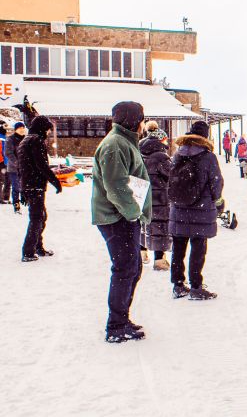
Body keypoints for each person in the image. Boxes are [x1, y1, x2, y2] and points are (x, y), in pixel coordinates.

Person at [92, 101, 152, 343]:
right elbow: (115, 185)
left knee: (132, 268)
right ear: (131, 119)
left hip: (123, 216)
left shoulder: (124, 141)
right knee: (125, 270)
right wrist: (132, 213)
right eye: (141, 118)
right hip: (117, 217)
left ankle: (121, 319)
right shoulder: (115, 144)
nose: (143, 123)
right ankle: (115, 326)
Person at [168, 120, 224, 300]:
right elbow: (216, 182)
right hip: (201, 208)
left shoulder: (178, 154)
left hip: (179, 208)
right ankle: (196, 286)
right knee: (198, 248)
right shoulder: (208, 157)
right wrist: (218, 201)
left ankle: (177, 284)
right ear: (205, 136)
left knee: (178, 247)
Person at [17, 116, 62, 262]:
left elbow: (21, 168)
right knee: (37, 218)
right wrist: (55, 181)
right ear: (42, 128)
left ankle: (37, 247)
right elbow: (41, 165)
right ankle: (28, 251)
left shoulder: (25, 141)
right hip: (35, 185)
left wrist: (22, 189)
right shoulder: (36, 141)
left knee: (41, 216)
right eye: (48, 129)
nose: (49, 132)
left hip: (28, 185)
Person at [140, 125, 173, 271]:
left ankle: (141, 253)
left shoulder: (139, 152)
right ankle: (159, 260)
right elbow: (172, 176)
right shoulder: (161, 156)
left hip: (142, 196)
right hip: (160, 198)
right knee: (160, 227)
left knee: (143, 225)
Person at [3, 122, 26, 213]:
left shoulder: (26, 139)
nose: (22, 129)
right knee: (16, 188)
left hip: (25, 168)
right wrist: (17, 162)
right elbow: (8, 153)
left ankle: (27, 201)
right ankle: (16, 206)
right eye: (20, 128)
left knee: (24, 187)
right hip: (13, 168)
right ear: (16, 129)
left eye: (23, 128)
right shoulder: (10, 139)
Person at [0, 121, 10, 204]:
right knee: (2, 180)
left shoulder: (5, 137)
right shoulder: (2, 138)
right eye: (4, 126)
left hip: (7, 162)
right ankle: (1, 198)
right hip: (2, 162)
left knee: (7, 180)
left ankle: (5, 197)